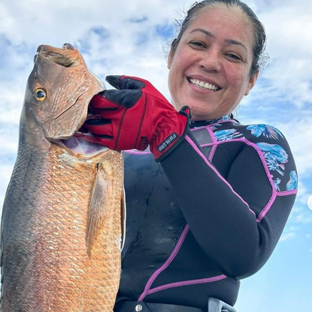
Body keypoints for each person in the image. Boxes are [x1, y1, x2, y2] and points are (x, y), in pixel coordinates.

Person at [82, 0, 298, 311]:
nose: (211, 62)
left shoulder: (260, 143)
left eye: (233, 55)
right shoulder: (114, 149)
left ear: (251, 79)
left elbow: (244, 254)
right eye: (198, 43)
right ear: (171, 55)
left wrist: (167, 137)